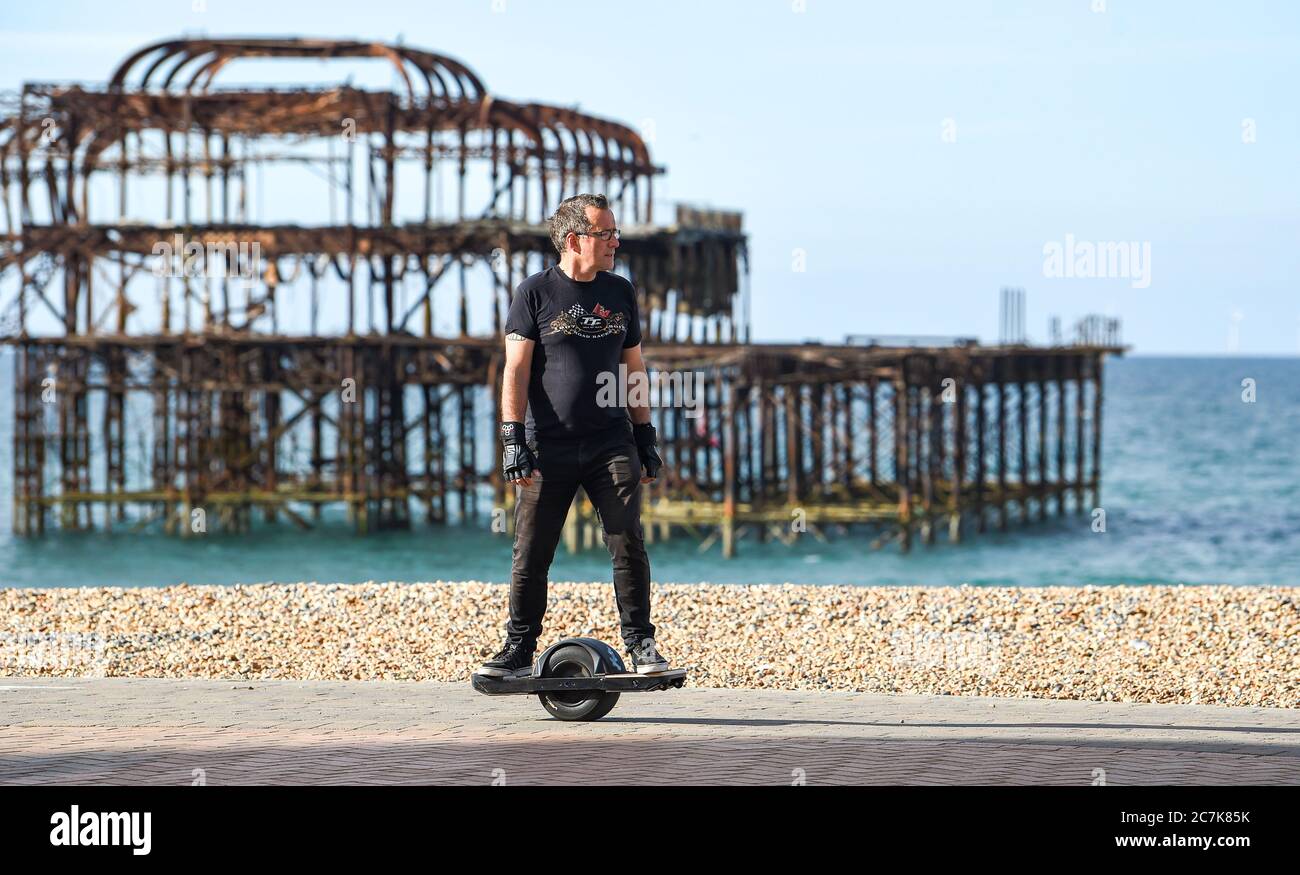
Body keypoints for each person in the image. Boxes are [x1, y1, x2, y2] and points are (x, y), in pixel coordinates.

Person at [478, 193, 670, 678]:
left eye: (614, 233)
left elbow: (634, 369)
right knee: (532, 550)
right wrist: (512, 439)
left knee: (627, 539)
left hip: (611, 441)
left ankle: (641, 644)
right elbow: (515, 371)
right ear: (573, 239)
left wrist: (645, 435)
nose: (615, 242)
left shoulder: (621, 292)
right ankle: (518, 648)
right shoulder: (534, 293)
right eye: (605, 234)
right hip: (549, 446)